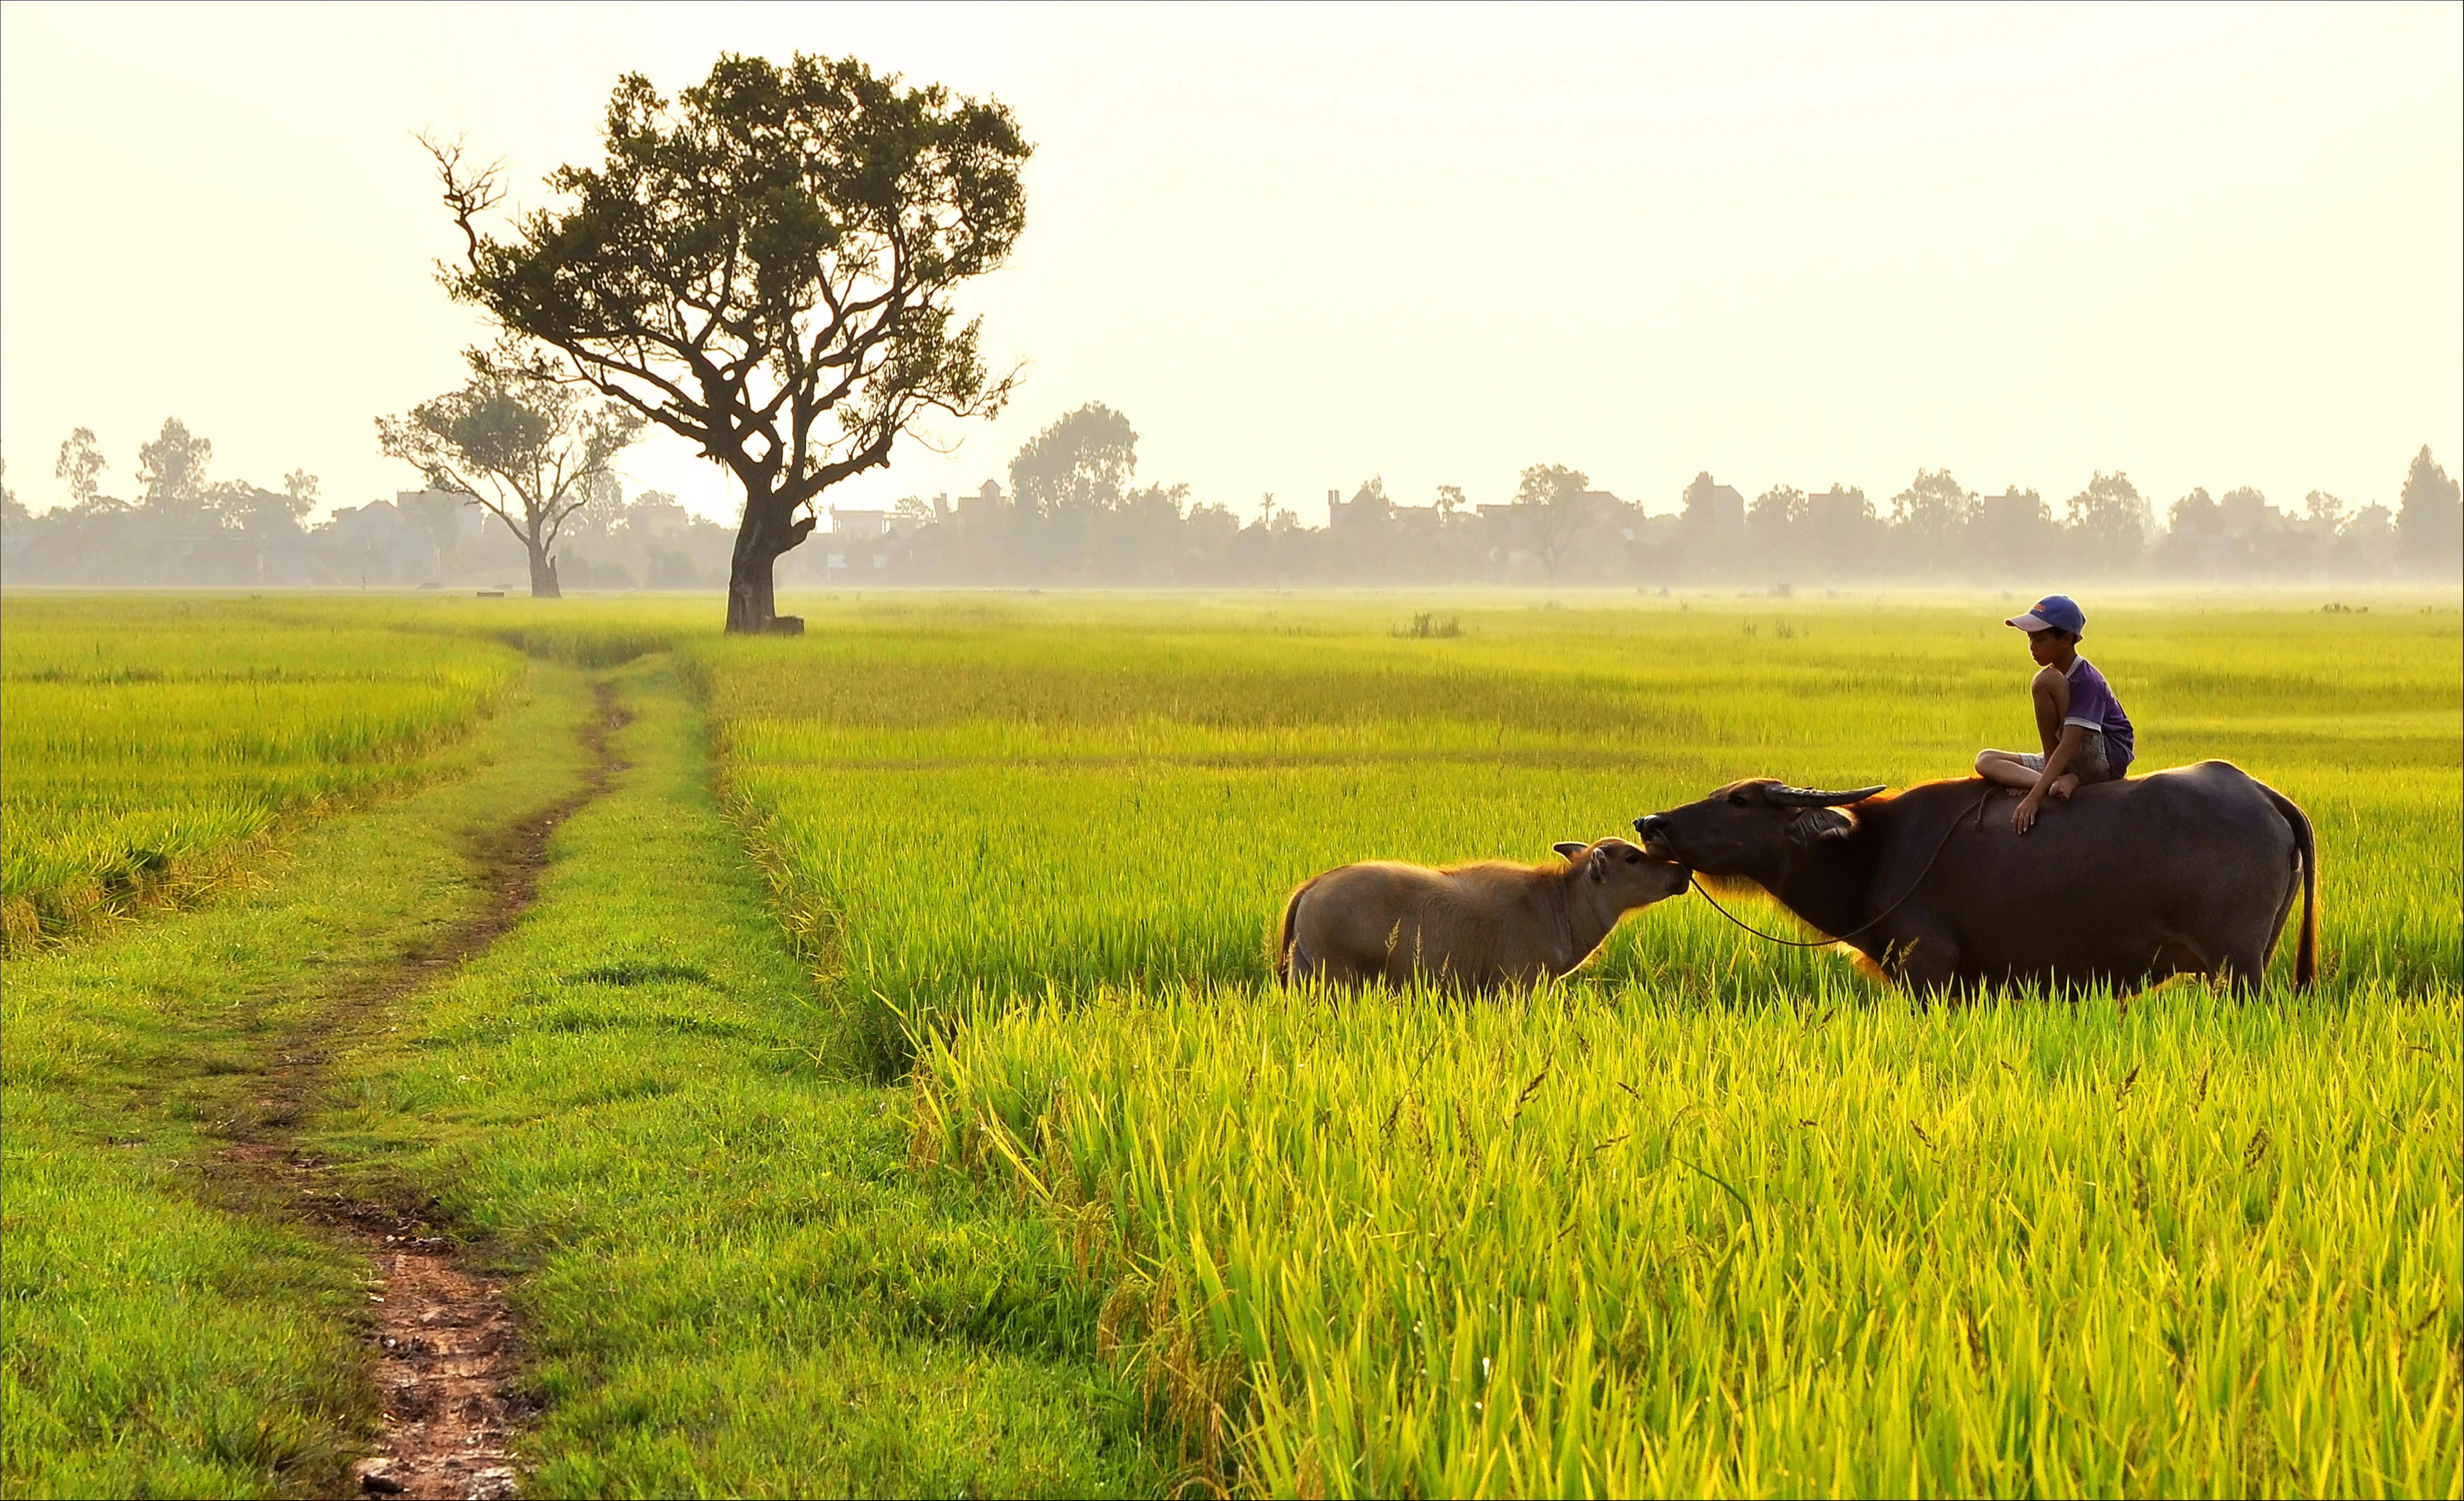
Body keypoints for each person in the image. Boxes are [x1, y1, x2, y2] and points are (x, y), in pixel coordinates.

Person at [1974, 594, 2135, 834]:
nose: (2032, 647)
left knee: (2045, 681)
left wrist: (2034, 798)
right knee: (1985, 760)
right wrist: (2044, 782)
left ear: (2067, 640)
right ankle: (2056, 780)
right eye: (2030, 638)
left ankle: (2058, 780)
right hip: (2073, 759)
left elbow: (2070, 743)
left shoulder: (2087, 680)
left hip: (2106, 758)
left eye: (2040, 639)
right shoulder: (2057, 674)